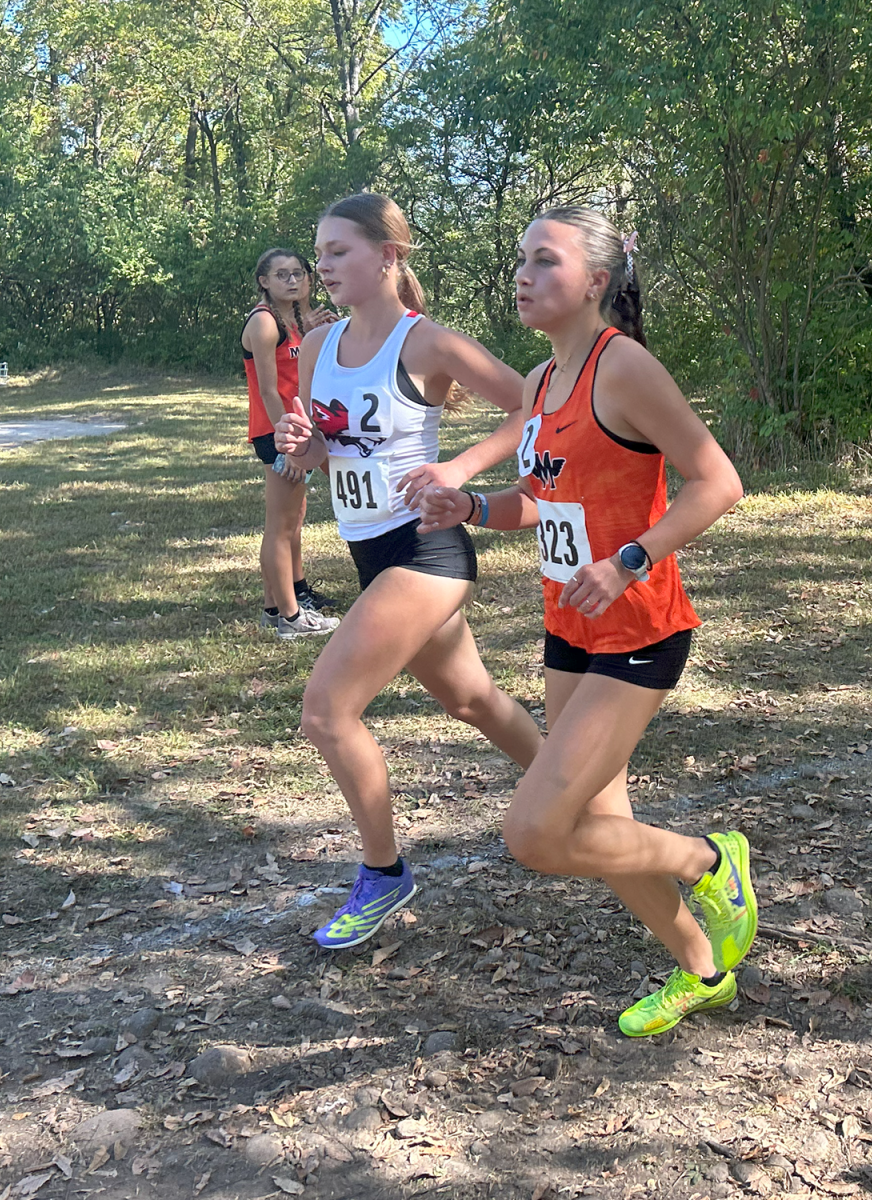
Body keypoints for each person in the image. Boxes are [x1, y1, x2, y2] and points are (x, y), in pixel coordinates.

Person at [417, 207, 755, 1037]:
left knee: (534, 834)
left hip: (639, 630)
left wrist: (631, 558)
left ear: (597, 281)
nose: (522, 275)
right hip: (569, 625)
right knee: (602, 824)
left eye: (544, 260)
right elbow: (542, 503)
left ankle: (710, 862)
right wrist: (468, 505)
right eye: (520, 261)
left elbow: (719, 481)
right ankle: (703, 973)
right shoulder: (540, 382)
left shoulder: (625, 367)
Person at [274, 193, 544, 948]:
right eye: (318, 253)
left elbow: (542, 404)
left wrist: (461, 467)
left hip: (427, 551)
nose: (320, 267)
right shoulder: (320, 344)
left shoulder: (427, 344)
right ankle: (572, 787)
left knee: (327, 711)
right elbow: (328, 448)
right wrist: (305, 446)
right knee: (474, 701)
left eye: (337, 253)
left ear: (388, 257)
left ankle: (384, 873)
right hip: (370, 552)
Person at [242, 247, 341, 640]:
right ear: (264, 281)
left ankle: (285, 599)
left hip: (296, 430)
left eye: (299, 273)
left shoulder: (296, 320)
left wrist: (313, 329)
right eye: (281, 275)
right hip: (277, 433)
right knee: (280, 526)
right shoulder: (265, 323)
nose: (293, 280)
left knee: (294, 519)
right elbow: (269, 391)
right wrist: (289, 444)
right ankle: (289, 616)